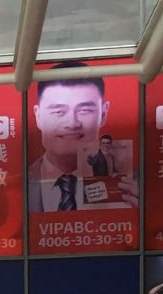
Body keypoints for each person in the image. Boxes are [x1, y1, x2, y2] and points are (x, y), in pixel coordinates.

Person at [27, 67, 137, 213]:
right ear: (38, 116)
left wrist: (142, 214)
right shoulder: (16, 186)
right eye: (58, 111)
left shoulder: (137, 184)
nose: (72, 123)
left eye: (84, 110)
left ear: (103, 114)